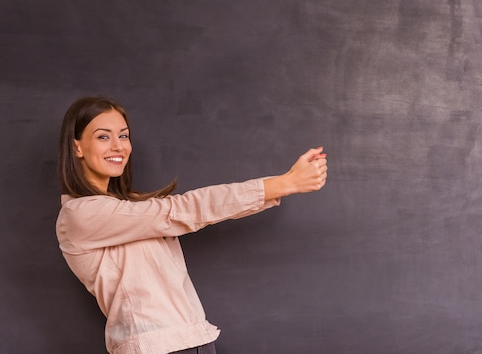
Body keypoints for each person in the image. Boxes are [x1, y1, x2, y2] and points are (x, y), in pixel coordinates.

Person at [55, 96, 328, 354]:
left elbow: (195, 213)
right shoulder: (80, 215)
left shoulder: (131, 206)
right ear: (77, 146)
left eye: (123, 135)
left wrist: (279, 187)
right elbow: (185, 210)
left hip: (195, 340)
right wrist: (284, 183)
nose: (118, 146)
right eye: (103, 136)